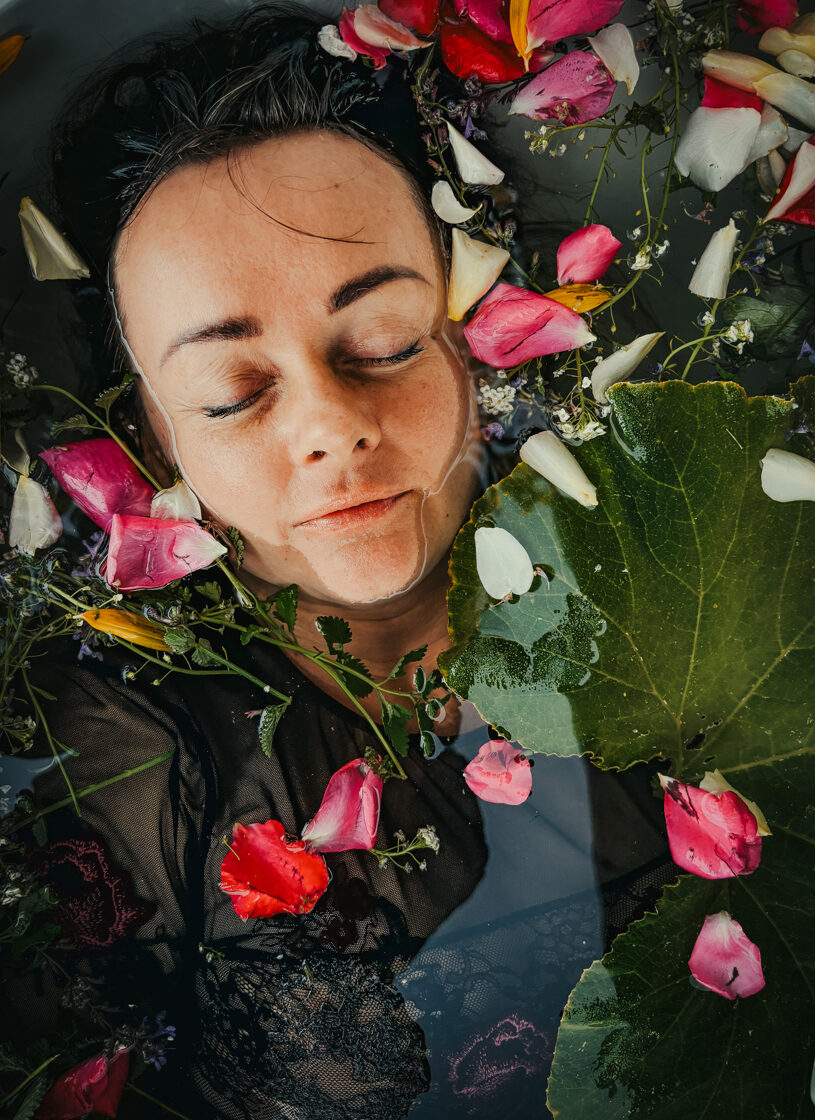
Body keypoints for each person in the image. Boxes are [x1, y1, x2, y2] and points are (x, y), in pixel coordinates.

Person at [3, 6, 674, 1117]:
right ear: (150, 443)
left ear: (484, 330)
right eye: (231, 393)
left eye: (385, 342)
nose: (330, 427)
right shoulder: (121, 756)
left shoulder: (681, 576)